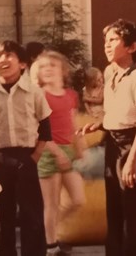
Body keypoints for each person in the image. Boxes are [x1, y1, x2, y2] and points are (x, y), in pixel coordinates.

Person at [79, 19, 136, 256]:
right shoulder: (110, 72)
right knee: (114, 209)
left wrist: (132, 160)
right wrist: (100, 125)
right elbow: (116, 113)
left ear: (131, 47)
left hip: (132, 146)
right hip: (112, 145)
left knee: (135, 214)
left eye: (113, 40)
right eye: (105, 41)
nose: (107, 45)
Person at [0, 40, 52, 256]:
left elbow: (45, 128)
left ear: (22, 64)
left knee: (31, 212)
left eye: (9, 55)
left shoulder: (34, 92)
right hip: (0, 158)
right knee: (5, 212)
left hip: (26, 157)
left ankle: (34, 252)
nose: (3, 59)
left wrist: (35, 156)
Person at [35, 51, 86, 256]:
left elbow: (72, 123)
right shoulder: (39, 95)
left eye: (53, 65)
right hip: (48, 150)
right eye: (43, 66)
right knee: (52, 203)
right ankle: (50, 245)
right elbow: (38, 131)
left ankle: (49, 233)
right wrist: (56, 152)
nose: (47, 68)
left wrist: (79, 147)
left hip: (67, 150)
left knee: (78, 199)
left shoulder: (70, 95)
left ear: (63, 71)